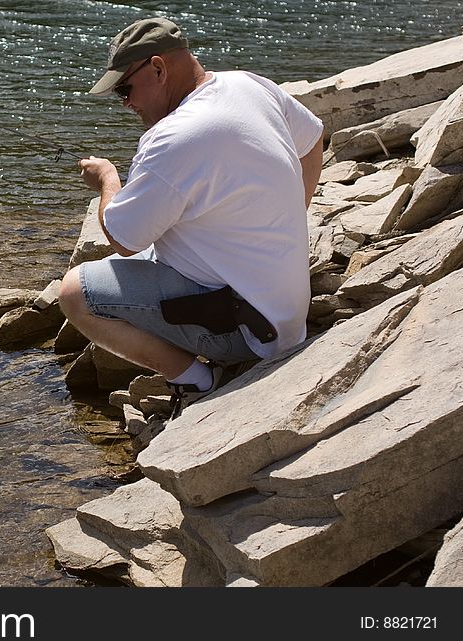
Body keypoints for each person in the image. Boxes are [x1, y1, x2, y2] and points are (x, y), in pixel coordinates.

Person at [58, 17, 324, 415]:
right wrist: (286, 222)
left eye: (124, 89)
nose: (127, 103)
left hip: (250, 332)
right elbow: (313, 138)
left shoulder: (173, 138)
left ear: (159, 68)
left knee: (75, 294)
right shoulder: (248, 85)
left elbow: (123, 240)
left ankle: (196, 380)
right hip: (284, 314)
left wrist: (108, 178)